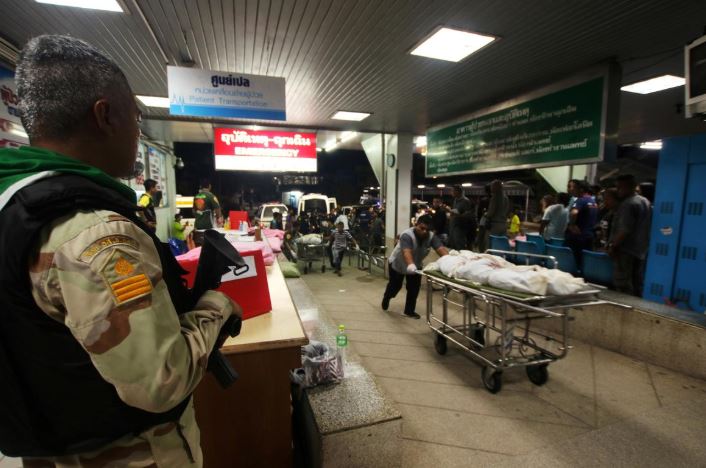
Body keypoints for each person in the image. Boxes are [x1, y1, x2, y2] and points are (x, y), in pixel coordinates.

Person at [0, 35, 239, 466]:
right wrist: (217, 306)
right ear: (105, 115)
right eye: (136, 118)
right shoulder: (96, 235)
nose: (138, 133)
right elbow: (161, 380)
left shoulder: (13, 204)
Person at [381, 215, 449, 319]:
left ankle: (409, 311)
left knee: (414, 289)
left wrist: (451, 262)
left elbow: (441, 250)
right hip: (398, 263)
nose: (425, 231)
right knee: (395, 287)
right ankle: (387, 297)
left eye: (427, 229)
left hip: (416, 265)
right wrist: (410, 264)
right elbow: (406, 252)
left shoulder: (431, 237)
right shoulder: (407, 235)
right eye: (422, 228)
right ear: (416, 225)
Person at [609, 175, 652, 296]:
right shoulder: (645, 201)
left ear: (628, 187)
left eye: (619, 187)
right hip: (641, 249)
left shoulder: (628, 204)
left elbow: (624, 230)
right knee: (637, 283)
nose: (617, 191)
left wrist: (612, 245)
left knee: (623, 285)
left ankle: (624, 312)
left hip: (626, 250)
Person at [565, 179, 599, 268]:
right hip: (588, 237)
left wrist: (572, 225)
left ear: (581, 189)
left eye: (572, 187)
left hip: (577, 238)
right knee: (584, 264)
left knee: (574, 265)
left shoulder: (580, 200)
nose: (570, 189)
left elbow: (574, 212)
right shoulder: (593, 201)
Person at [447, 185, 476, 250]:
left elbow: (467, 216)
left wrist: (453, 213)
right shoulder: (455, 200)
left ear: (457, 191)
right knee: (453, 246)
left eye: (452, 191)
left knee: (460, 247)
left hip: (460, 228)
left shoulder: (465, 201)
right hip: (453, 226)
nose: (451, 192)